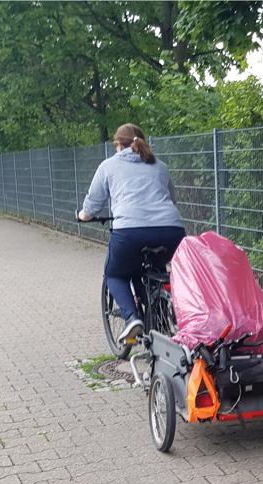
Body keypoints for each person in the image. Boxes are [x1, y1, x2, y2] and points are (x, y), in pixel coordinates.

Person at [79, 123, 185, 343]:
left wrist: (83, 215)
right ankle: (164, 311)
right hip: (171, 230)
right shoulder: (160, 166)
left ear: (118, 144)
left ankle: (131, 319)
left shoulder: (108, 166)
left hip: (130, 232)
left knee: (114, 274)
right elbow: (172, 199)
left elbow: (91, 208)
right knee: (156, 269)